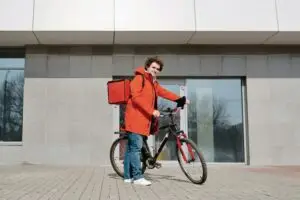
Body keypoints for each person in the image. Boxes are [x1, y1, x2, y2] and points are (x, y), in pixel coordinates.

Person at [123, 56, 189, 186]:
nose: (155, 70)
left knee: (131, 149)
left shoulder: (153, 83)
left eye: (158, 69)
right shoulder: (139, 78)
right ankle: (137, 177)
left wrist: (180, 99)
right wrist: (151, 110)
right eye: (153, 67)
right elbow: (136, 98)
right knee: (135, 149)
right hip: (135, 118)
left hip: (143, 121)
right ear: (147, 66)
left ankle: (127, 176)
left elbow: (164, 92)